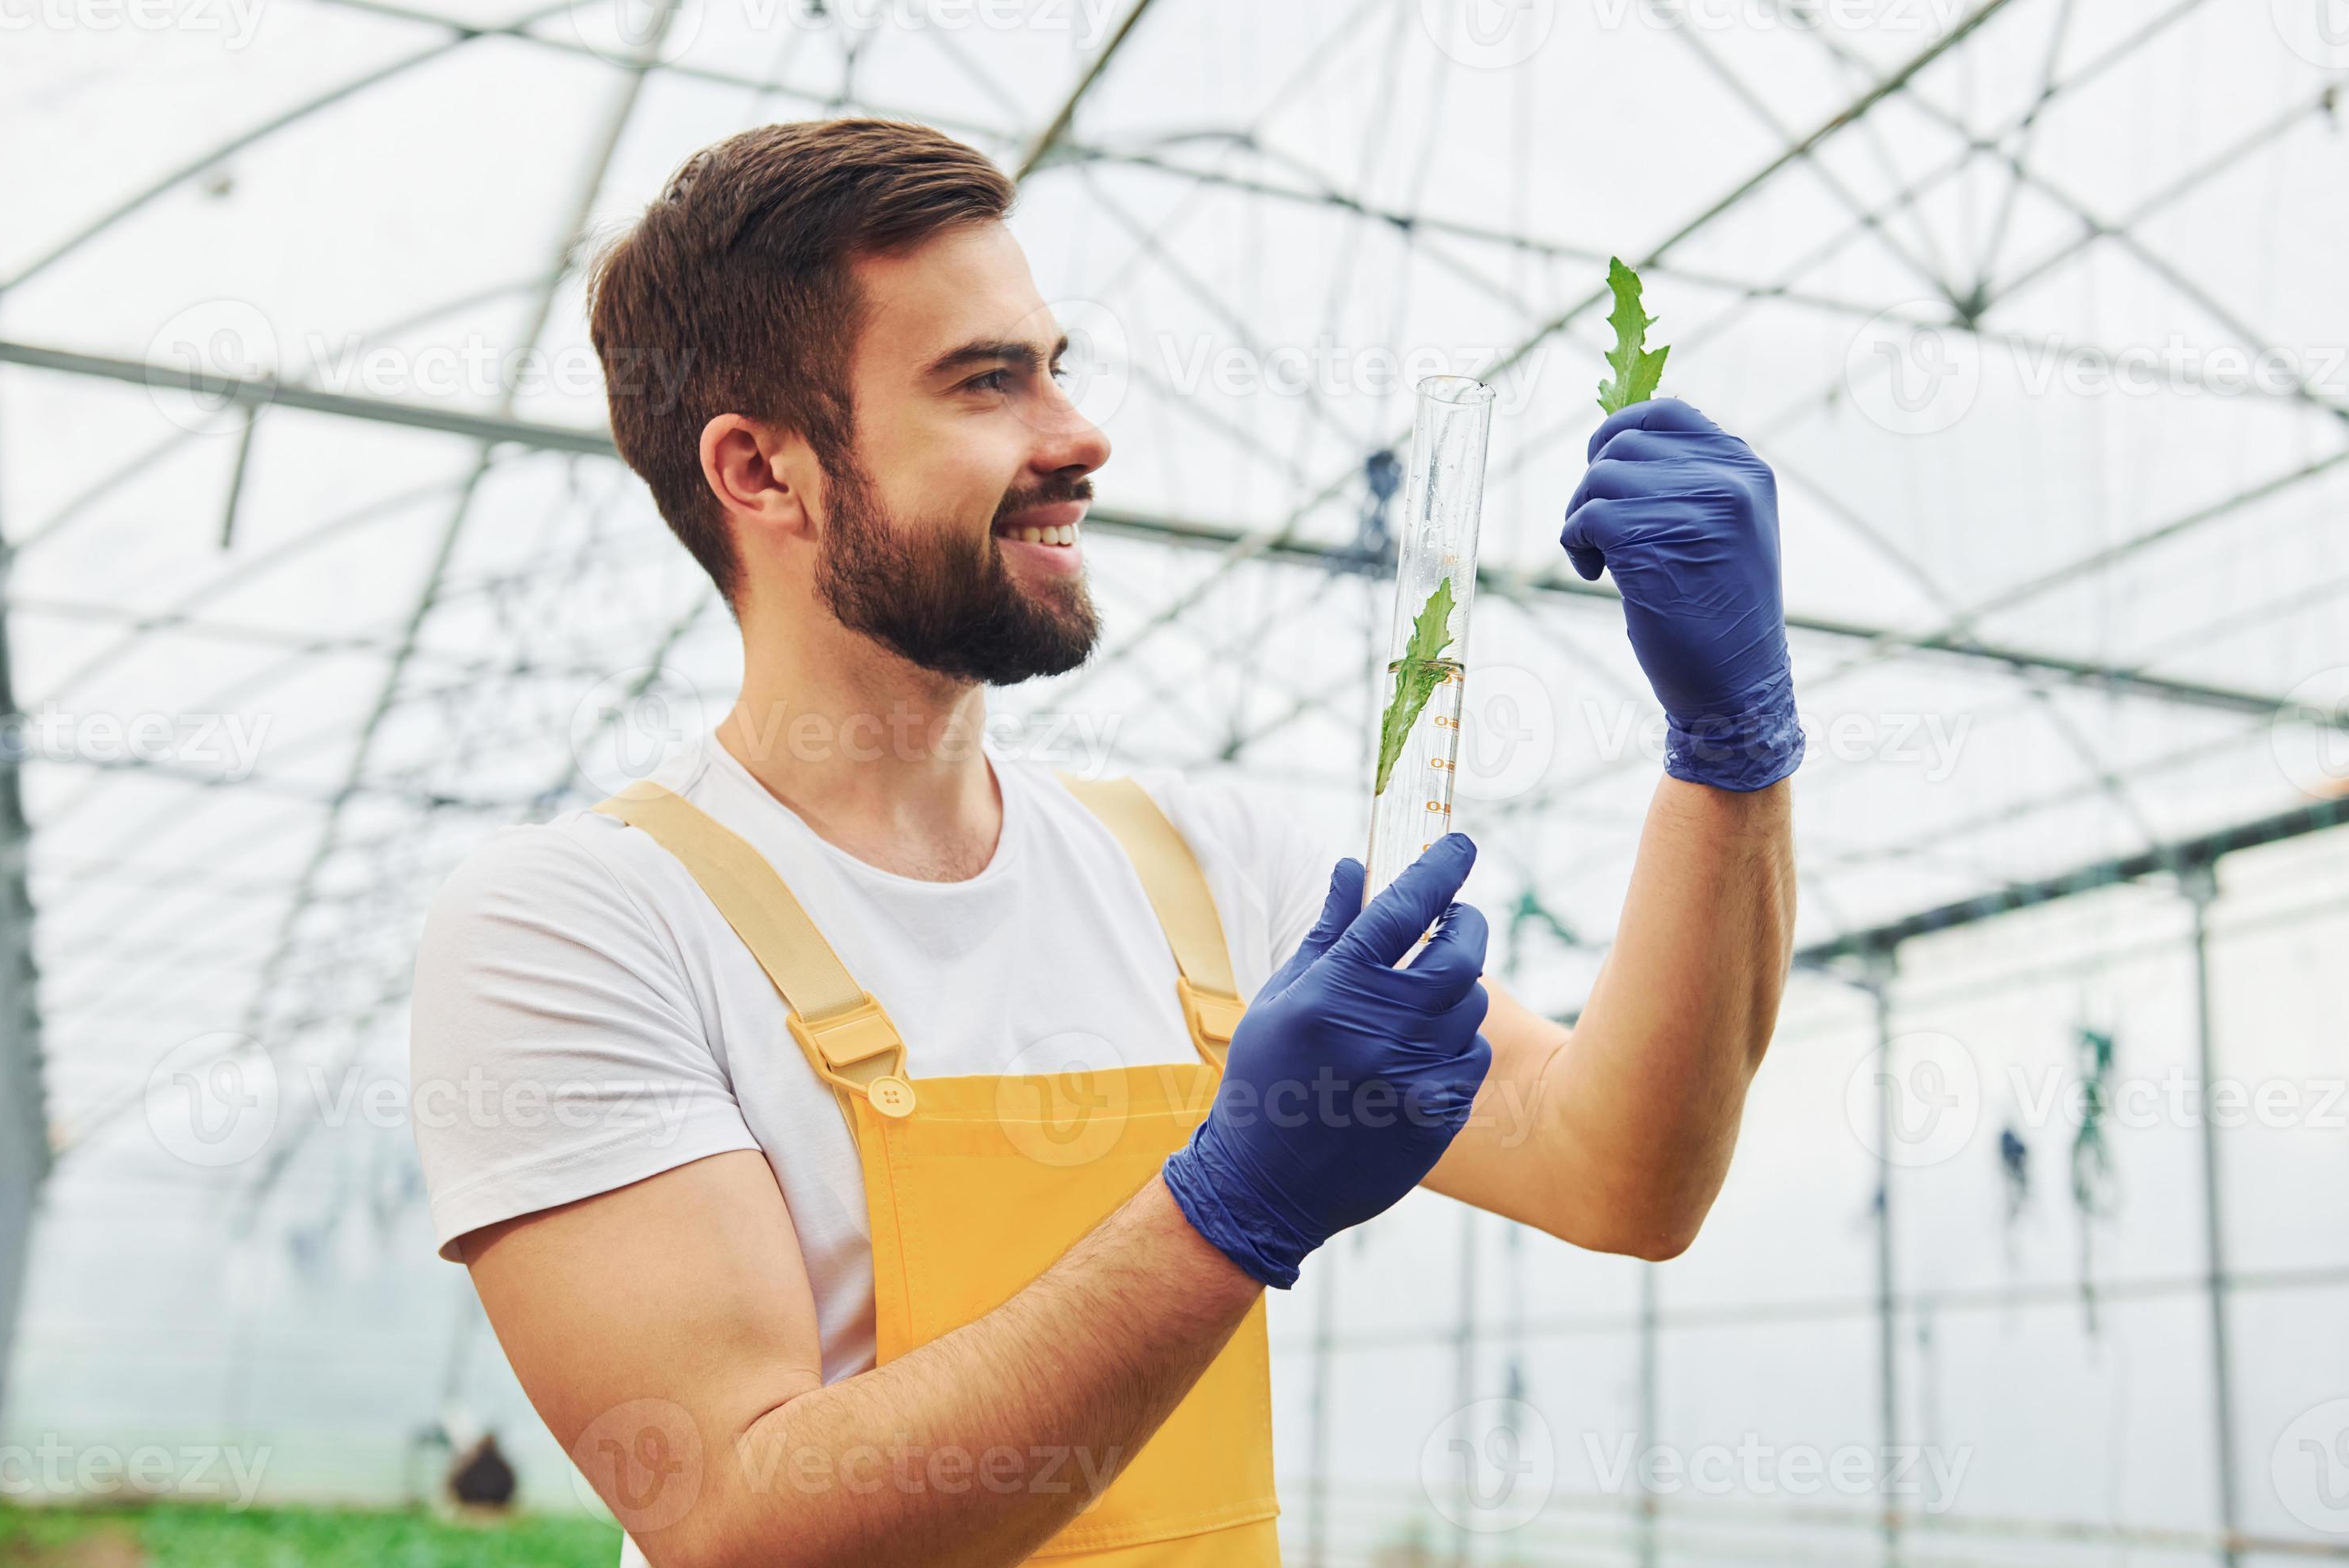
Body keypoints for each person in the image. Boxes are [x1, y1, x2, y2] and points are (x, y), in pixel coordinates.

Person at [409, 117, 1803, 1567]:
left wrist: (1732, 756)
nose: (1078, 438)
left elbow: (1622, 1173)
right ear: (763, 473)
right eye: (983, 384)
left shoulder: (1207, 870)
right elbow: (741, 1516)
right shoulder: (578, 925)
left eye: (1053, 368)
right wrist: (1230, 1206)